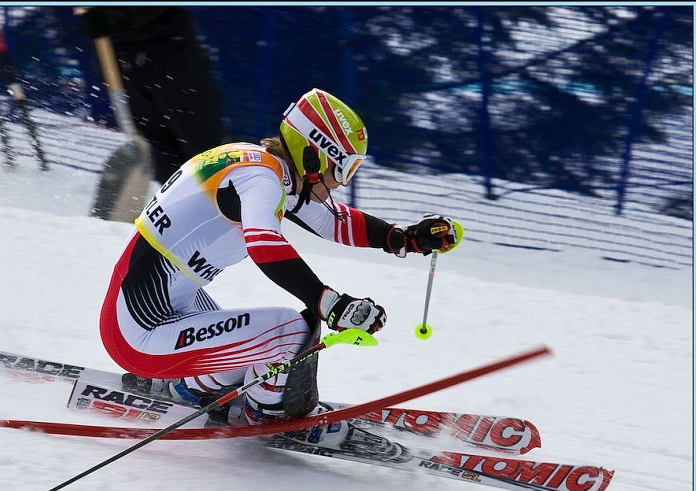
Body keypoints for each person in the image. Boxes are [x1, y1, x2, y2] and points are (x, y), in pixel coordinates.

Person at [99, 88, 462, 447]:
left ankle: (187, 388)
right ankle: (269, 416)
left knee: (252, 352)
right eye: (344, 168)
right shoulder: (260, 180)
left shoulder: (262, 168)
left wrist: (403, 237)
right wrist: (329, 303)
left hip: (157, 312)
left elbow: (330, 220)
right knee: (288, 332)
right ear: (313, 156)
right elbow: (264, 243)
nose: (343, 182)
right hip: (141, 333)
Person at [77, 7, 227, 185]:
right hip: (122, 63)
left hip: (172, 55)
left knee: (206, 151)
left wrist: (118, 16)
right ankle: (182, 207)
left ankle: (233, 206)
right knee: (161, 158)